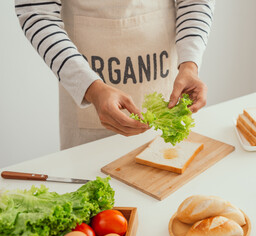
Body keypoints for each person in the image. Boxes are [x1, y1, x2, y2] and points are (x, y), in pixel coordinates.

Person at [15, 0, 215, 150]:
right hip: (87, 100)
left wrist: (189, 64)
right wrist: (91, 89)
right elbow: (37, 13)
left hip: (165, 79)